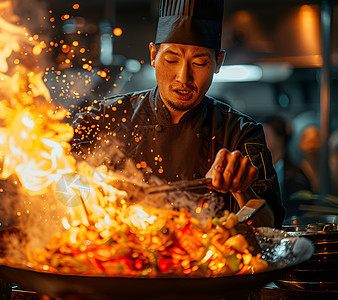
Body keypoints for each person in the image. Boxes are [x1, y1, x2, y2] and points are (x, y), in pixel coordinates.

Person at [71, 0, 285, 228]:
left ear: (218, 62)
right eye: (172, 59)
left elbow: (270, 229)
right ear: (153, 55)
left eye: (200, 62)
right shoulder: (106, 117)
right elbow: (53, 176)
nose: (184, 77)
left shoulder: (241, 133)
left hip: (209, 259)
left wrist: (243, 189)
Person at [262, 115, 311, 219]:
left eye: (266, 135)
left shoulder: (295, 174)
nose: (261, 140)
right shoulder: (264, 169)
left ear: (280, 139)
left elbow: (300, 209)